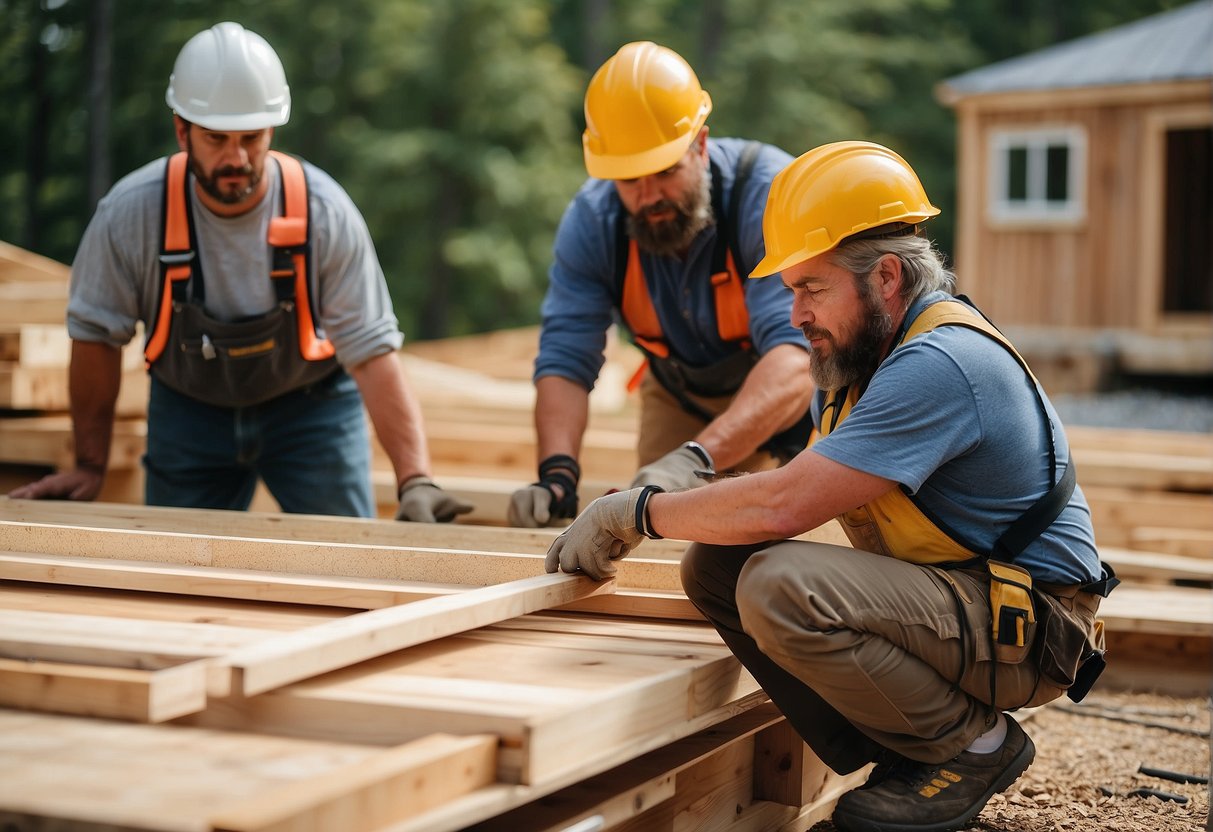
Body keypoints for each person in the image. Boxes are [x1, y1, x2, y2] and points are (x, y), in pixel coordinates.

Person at [544, 140, 1119, 832]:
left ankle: (973, 747)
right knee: (718, 568)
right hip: (971, 601)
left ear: (882, 278)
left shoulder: (941, 364)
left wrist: (634, 511)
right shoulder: (855, 367)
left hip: (1034, 628)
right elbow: (786, 500)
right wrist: (673, 513)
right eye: (790, 291)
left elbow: (784, 503)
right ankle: (902, 752)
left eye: (810, 288)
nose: (795, 315)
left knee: (779, 585)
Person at [10, 22, 471, 524]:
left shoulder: (324, 212)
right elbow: (96, 339)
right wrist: (90, 465)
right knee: (173, 570)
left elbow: (371, 350)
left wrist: (415, 479)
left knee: (344, 557)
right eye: (216, 139)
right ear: (181, 129)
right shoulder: (130, 215)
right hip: (190, 414)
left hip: (310, 411)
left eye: (252, 138)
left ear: (272, 128)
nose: (237, 157)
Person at [507, 41, 815, 528]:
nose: (649, 197)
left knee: (764, 539)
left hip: (794, 396)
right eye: (629, 180)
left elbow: (798, 360)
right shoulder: (593, 221)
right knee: (651, 534)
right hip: (679, 391)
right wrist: (556, 474)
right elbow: (566, 356)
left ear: (700, 144)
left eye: (665, 172)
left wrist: (693, 461)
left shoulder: (771, 197)